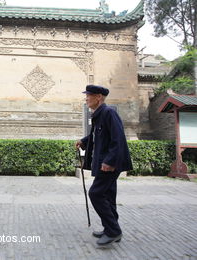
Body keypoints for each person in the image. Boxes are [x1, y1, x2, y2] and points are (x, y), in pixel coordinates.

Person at [75, 85, 133, 247]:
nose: (86, 98)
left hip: (109, 164)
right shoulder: (99, 115)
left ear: (98, 97)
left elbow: (118, 139)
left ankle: (114, 231)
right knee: (108, 196)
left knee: (95, 193)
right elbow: (96, 135)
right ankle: (110, 228)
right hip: (105, 162)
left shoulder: (109, 113)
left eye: (88, 96)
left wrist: (109, 162)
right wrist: (84, 141)